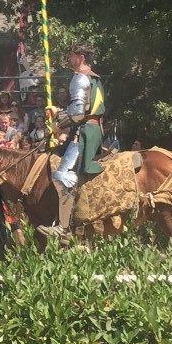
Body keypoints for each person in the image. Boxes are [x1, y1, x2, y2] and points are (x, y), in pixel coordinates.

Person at [42, 42, 105, 239]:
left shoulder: (79, 78)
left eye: (72, 55)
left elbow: (77, 114)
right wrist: (59, 112)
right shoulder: (94, 78)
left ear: (81, 57)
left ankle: (63, 228)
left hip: (84, 131)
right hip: (94, 129)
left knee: (62, 174)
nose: (69, 59)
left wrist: (58, 123)